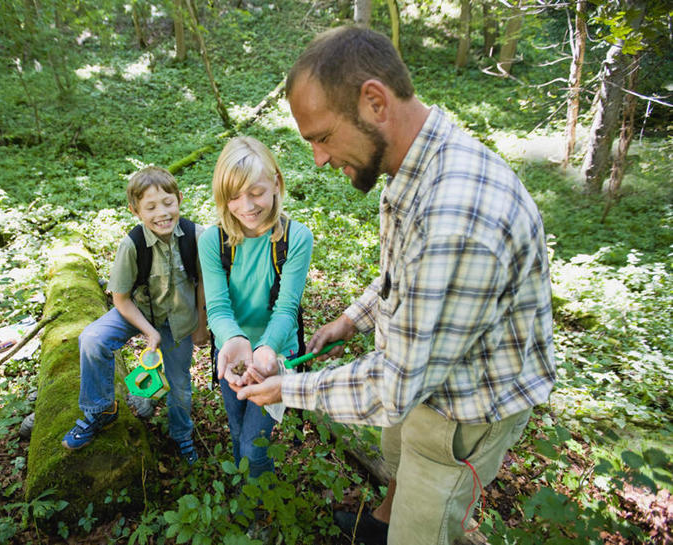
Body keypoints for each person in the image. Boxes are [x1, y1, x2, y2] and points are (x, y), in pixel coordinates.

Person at [233, 26, 556, 545]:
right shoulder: (416, 166)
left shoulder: (457, 218)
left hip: (465, 411)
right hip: (424, 382)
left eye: (320, 137)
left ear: (375, 102)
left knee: (421, 526)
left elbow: (394, 387)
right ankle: (381, 523)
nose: (318, 159)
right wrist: (350, 320)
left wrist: (287, 389)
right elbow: (403, 276)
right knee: (398, 459)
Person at [62, 166, 208, 465]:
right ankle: (100, 410)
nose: (162, 213)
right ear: (135, 211)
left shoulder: (197, 236)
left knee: (179, 385)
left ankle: (181, 434)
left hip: (179, 321)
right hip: (138, 311)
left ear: (179, 198)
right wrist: (148, 331)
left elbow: (205, 283)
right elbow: (120, 298)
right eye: (150, 207)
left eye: (168, 202)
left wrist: (202, 326)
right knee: (92, 339)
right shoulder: (133, 245)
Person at [198, 136, 313, 479]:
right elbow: (217, 308)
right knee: (236, 429)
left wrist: (265, 349)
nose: (246, 206)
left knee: (253, 444)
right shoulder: (212, 241)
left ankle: (258, 510)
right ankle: (243, 493)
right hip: (231, 354)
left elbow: (286, 308)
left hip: (275, 355)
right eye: (233, 196)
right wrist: (233, 340)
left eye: (256, 192)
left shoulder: (296, 238)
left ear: (276, 183)